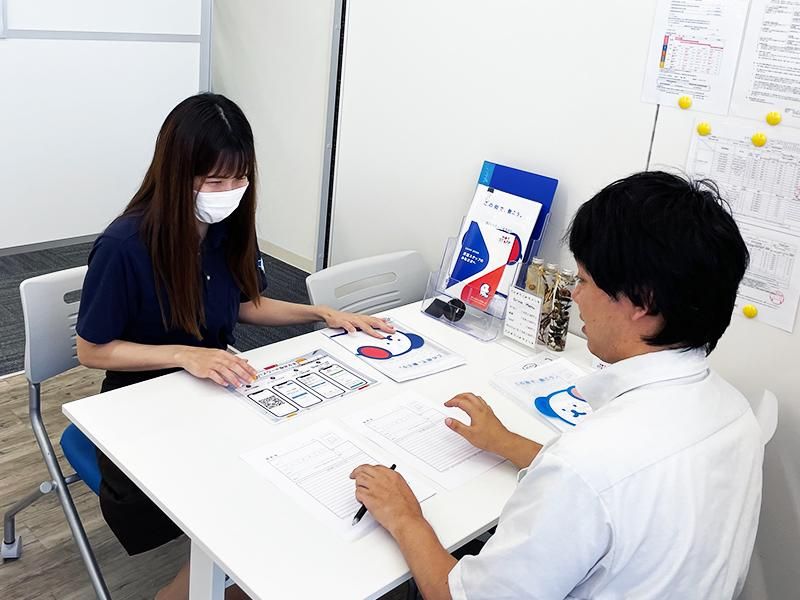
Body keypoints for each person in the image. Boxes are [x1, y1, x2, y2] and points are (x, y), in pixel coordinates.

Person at [350, 171, 763, 599]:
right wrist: (506, 443)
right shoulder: (734, 412)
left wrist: (405, 517)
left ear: (642, 301)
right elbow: (619, 494)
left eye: (583, 280)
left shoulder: (585, 465)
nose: (575, 296)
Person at [75, 93, 393, 600]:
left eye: (239, 179)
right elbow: (92, 350)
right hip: (143, 401)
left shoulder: (227, 228)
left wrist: (321, 313)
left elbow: (245, 304)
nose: (228, 193)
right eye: (214, 181)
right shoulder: (125, 245)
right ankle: (189, 588)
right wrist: (183, 354)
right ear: (176, 173)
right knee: (234, 493)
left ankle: (243, 578)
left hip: (219, 383)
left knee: (296, 460)